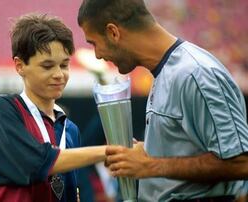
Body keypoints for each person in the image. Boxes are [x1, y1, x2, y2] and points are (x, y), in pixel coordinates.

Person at [78, 0, 248, 201]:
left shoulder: (195, 73)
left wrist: (149, 165)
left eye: (94, 43)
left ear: (113, 32)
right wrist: (142, 154)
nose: (97, 55)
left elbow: (240, 162)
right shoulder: (166, 72)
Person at [0, 14, 107, 202]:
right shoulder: (3, 110)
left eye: (64, 65)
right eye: (47, 66)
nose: (59, 74)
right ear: (20, 66)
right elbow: (37, 163)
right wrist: (109, 152)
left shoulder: (70, 130)